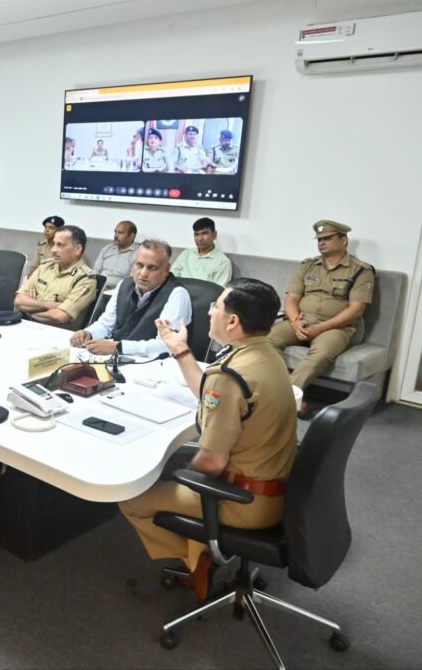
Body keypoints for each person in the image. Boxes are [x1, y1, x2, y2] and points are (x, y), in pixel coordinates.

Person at [120, 278, 297, 602]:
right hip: (281, 490)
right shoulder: (267, 355)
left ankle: (198, 561)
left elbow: (212, 462)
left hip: (246, 502)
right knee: (180, 468)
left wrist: (176, 475)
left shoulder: (229, 375)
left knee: (133, 498)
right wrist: (181, 350)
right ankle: (199, 550)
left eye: (217, 306)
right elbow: (212, 392)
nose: (210, 311)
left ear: (232, 321)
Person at [267, 220, 375, 418]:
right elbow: (291, 298)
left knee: (322, 352)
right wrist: (295, 321)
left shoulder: (361, 270)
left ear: (344, 240)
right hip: (301, 321)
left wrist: (321, 328)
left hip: (336, 328)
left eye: (327, 238)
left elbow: (356, 310)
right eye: (319, 239)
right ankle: (290, 395)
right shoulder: (308, 266)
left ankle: (285, 397)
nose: (321, 242)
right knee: (266, 340)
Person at [71, 239, 192, 356]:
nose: (143, 273)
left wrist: (118, 347)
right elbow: (106, 324)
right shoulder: (124, 285)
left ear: (166, 269)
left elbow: (168, 345)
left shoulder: (177, 294)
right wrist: (89, 333)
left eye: (152, 268)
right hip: (117, 357)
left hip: (153, 363)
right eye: (139, 265)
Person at [14, 225, 98, 329]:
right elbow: (18, 300)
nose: (54, 250)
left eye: (60, 245)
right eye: (54, 244)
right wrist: (47, 305)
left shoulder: (85, 279)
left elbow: (60, 316)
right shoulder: (45, 267)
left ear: (77, 249)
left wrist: (29, 311)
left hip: (57, 333)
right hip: (29, 326)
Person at [170, 217, 233, 286]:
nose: (200, 238)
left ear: (214, 235)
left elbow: (219, 290)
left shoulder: (222, 262)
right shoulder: (186, 254)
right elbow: (171, 278)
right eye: (196, 234)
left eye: (204, 233)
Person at [92, 220, 138, 288]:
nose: (116, 235)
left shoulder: (137, 253)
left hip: (116, 290)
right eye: (115, 232)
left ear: (131, 236)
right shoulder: (107, 249)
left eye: (120, 233)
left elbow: (131, 281)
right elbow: (96, 270)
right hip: (98, 287)